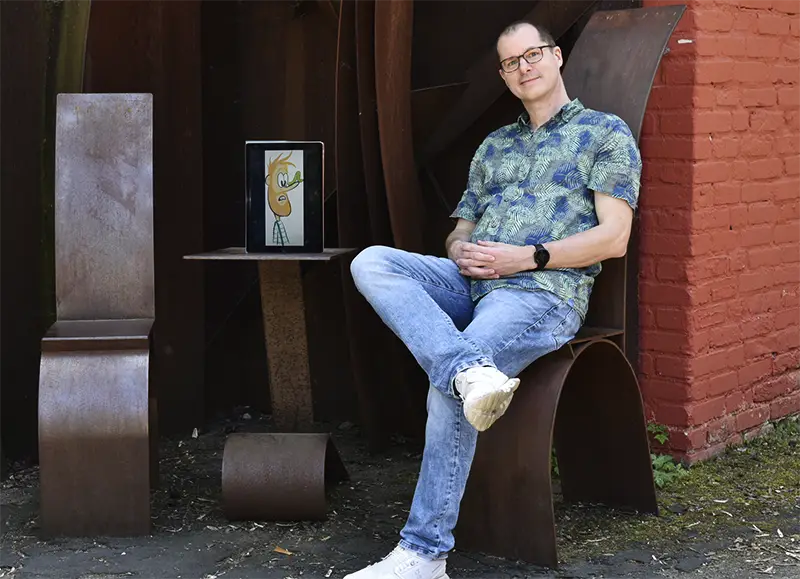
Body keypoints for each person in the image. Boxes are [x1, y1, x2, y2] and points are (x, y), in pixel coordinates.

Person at [346, 19, 642, 579]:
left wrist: (526, 256)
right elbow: (459, 230)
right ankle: (468, 370)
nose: (523, 68)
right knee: (372, 261)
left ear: (556, 58)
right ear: (504, 76)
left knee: (447, 393)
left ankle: (424, 554)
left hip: (540, 293)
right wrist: (462, 251)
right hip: (472, 283)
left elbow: (614, 238)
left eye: (531, 55)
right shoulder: (495, 145)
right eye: (510, 63)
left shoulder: (605, 134)